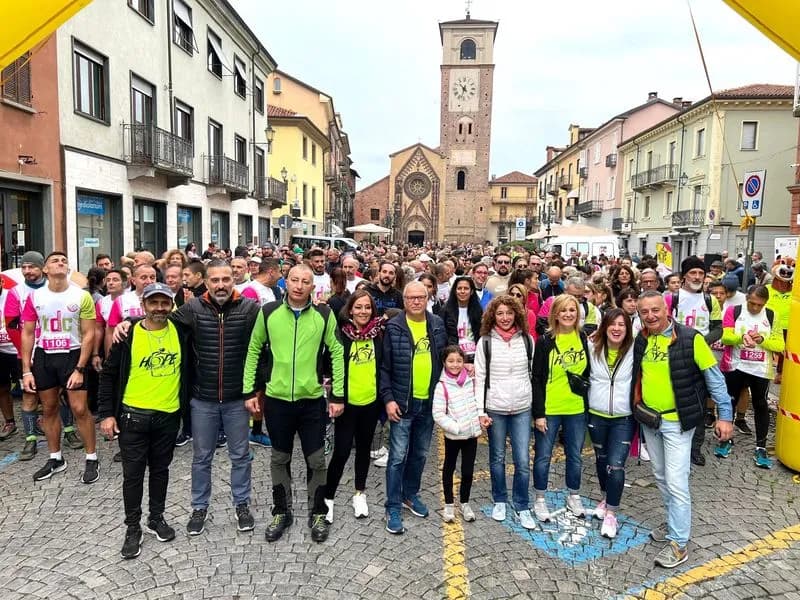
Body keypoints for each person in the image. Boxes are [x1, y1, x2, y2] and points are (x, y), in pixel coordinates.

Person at [242, 264, 344, 543]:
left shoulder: (324, 313)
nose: (299, 286)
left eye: (306, 281)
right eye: (294, 280)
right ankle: (281, 511)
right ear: (285, 283)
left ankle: (318, 513)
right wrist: (250, 391)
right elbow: (253, 350)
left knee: (316, 459)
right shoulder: (269, 311)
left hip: (311, 400)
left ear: (314, 286)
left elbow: (336, 352)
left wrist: (337, 396)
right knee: (279, 458)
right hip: (277, 401)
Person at [633, 291, 733, 568]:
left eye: (655, 310)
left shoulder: (691, 338)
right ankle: (672, 523)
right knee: (661, 476)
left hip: (678, 422)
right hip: (651, 420)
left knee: (676, 482)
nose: (651, 316)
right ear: (639, 314)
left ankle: (678, 544)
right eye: (645, 312)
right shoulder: (642, 339)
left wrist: (725, 415)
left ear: (666, 309)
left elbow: (715, 379)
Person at [98, 283, 191, 559]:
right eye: (154, 303)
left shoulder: (182, 332)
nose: (160, 308)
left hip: (168, 416)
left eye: (165, 303)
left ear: (172, 305)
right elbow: (108, 376)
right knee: (133, 475)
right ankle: (132, 527)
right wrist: (106, 414)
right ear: (144, 304)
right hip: (133, 417)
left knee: (161, 470)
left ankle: (156, 517)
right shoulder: (127, 335)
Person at [21, 252, 98, 483]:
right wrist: (26, 370)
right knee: (49, 409)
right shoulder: (34, 297)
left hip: (72, 355)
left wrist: (80, 368)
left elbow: (89, 333)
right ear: (45, 269)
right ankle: (56, 458)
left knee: (80, 409)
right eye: (55, 260)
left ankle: (91, 458)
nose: (61, 263)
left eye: (64, 261)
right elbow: (27, 332)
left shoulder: (81, 296)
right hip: (45, 356)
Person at [380, 281, 447, 534]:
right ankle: (393, 505)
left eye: (420, 297)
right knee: (397, 458)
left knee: (419, 454)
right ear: (404, 300)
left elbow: (443, 361)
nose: (416, 302)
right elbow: (384, 368)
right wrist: (388, 399)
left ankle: (410, 494)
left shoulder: (437, 325)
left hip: (428, 403)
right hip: (401, 402)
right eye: (411, 298)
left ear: (428, 297)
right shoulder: (394, 326)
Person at [474, 296, 536, 529]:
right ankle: (499, 499)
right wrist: (480, 410)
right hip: (495, 407)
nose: (505, 318)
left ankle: (522, 503)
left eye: (509, 313)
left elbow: (532, 375)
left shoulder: (528, 340)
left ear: (517, 314)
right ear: (493, 316)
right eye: (500, 313)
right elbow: (480, 378)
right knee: (497, 458)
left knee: (522, 459)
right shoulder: (486, 342)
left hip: (521, 407)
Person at [323, 290, 384, 522]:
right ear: (350, 310)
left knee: (364, 450)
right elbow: (329, 367)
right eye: (358, 307)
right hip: (346, 404)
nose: (363, 312)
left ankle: (360, 493)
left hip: (370, 402)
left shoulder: (378, 334)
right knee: (341, 451)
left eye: (367, 307)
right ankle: (328, 498)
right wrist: (333, 399)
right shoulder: (341, 334)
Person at [532, 294, 591, 522]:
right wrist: (539, 413)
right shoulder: (545, 341)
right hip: (550, 407)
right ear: (555, 314)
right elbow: (537, 378)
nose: (568, 314)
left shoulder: (583, 337)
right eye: (563, 310)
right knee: (543, 456)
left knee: (574, 455)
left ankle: (573, 495)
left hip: (576, 407)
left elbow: (586, 373)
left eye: (572, 310)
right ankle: (540, 498)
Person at [665, 256, 723, 466]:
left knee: (699, 401)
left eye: (701, 273)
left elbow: (718, 328)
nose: (697, 277)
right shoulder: (672, 298)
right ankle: (673, 440)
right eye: (693, 273)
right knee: (676, 396)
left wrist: (700, 342)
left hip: (700, 356)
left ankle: (695, 447)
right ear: (684, 277)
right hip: (676, 355)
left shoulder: (711, 300)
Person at [718, 285, 784, 467]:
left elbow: (780, 345)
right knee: (730, 400)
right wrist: (742, 337)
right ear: (746, 298)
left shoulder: (772, 316)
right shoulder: (734, 310)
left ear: (765, 303)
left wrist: (762, 340)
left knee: (760, 405)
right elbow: (726, 338)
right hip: (736, 365)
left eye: (759, 305)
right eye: (752, 303)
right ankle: (726, 438)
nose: (755, 308)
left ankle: (760, 447)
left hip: (760, 369)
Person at [587, 308, 636, 539]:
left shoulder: (635, 350)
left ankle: (612, 514)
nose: (616, 329)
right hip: (596, 414)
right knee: (601, 460)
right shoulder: (592, 349)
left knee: (616, 465)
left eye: (621, 325)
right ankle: (606, 498)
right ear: (604, 327)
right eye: (612, 324)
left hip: (623, 417)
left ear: (627, 329)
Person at [433, 345, 481, 523]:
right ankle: (448, 504)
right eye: (451, 361)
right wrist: (455, 427)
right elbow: (438, 413)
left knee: (468, 471)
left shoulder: (471, 380)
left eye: (459, 361)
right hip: (453, 436)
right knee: (449, 468)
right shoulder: (442, 385)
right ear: (444, 363)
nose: (455, 365)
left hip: (471, 435)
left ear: (464, 362)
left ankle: (465, 502)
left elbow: (478, 400)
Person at [442, 276, 482, 361]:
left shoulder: (479, 311)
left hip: (476, 357)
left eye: (466, 288)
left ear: (471, 291)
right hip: (454, 357)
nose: (462, 291)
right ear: (455, 291)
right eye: (459, 288)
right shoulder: (445, 311)